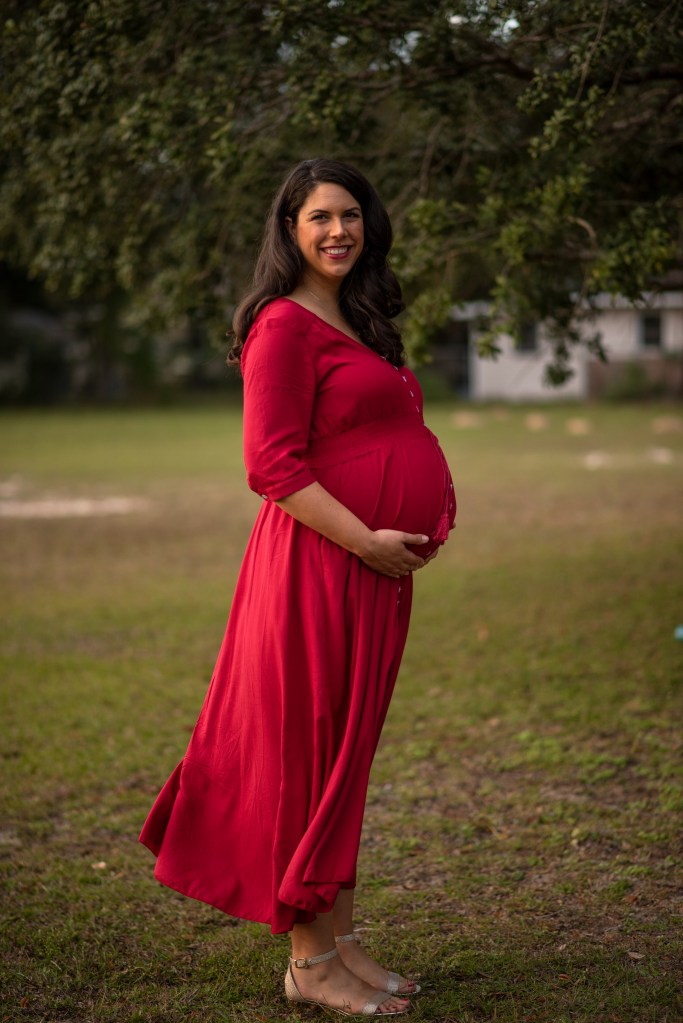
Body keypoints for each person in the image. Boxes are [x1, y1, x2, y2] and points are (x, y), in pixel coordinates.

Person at [139, 158, 456, 1017]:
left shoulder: (359, 319)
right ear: (287, 229)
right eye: (318, 217)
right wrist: (367, 540)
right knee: (310, 753)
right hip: (318, 565)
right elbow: (269, 464)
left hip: (373, 574)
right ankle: (309, 963)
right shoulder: (281, 325)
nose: (337, 232)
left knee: (346, 756)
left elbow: (394, 429)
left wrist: (433, 507)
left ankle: (342, 943)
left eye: (350, 215)